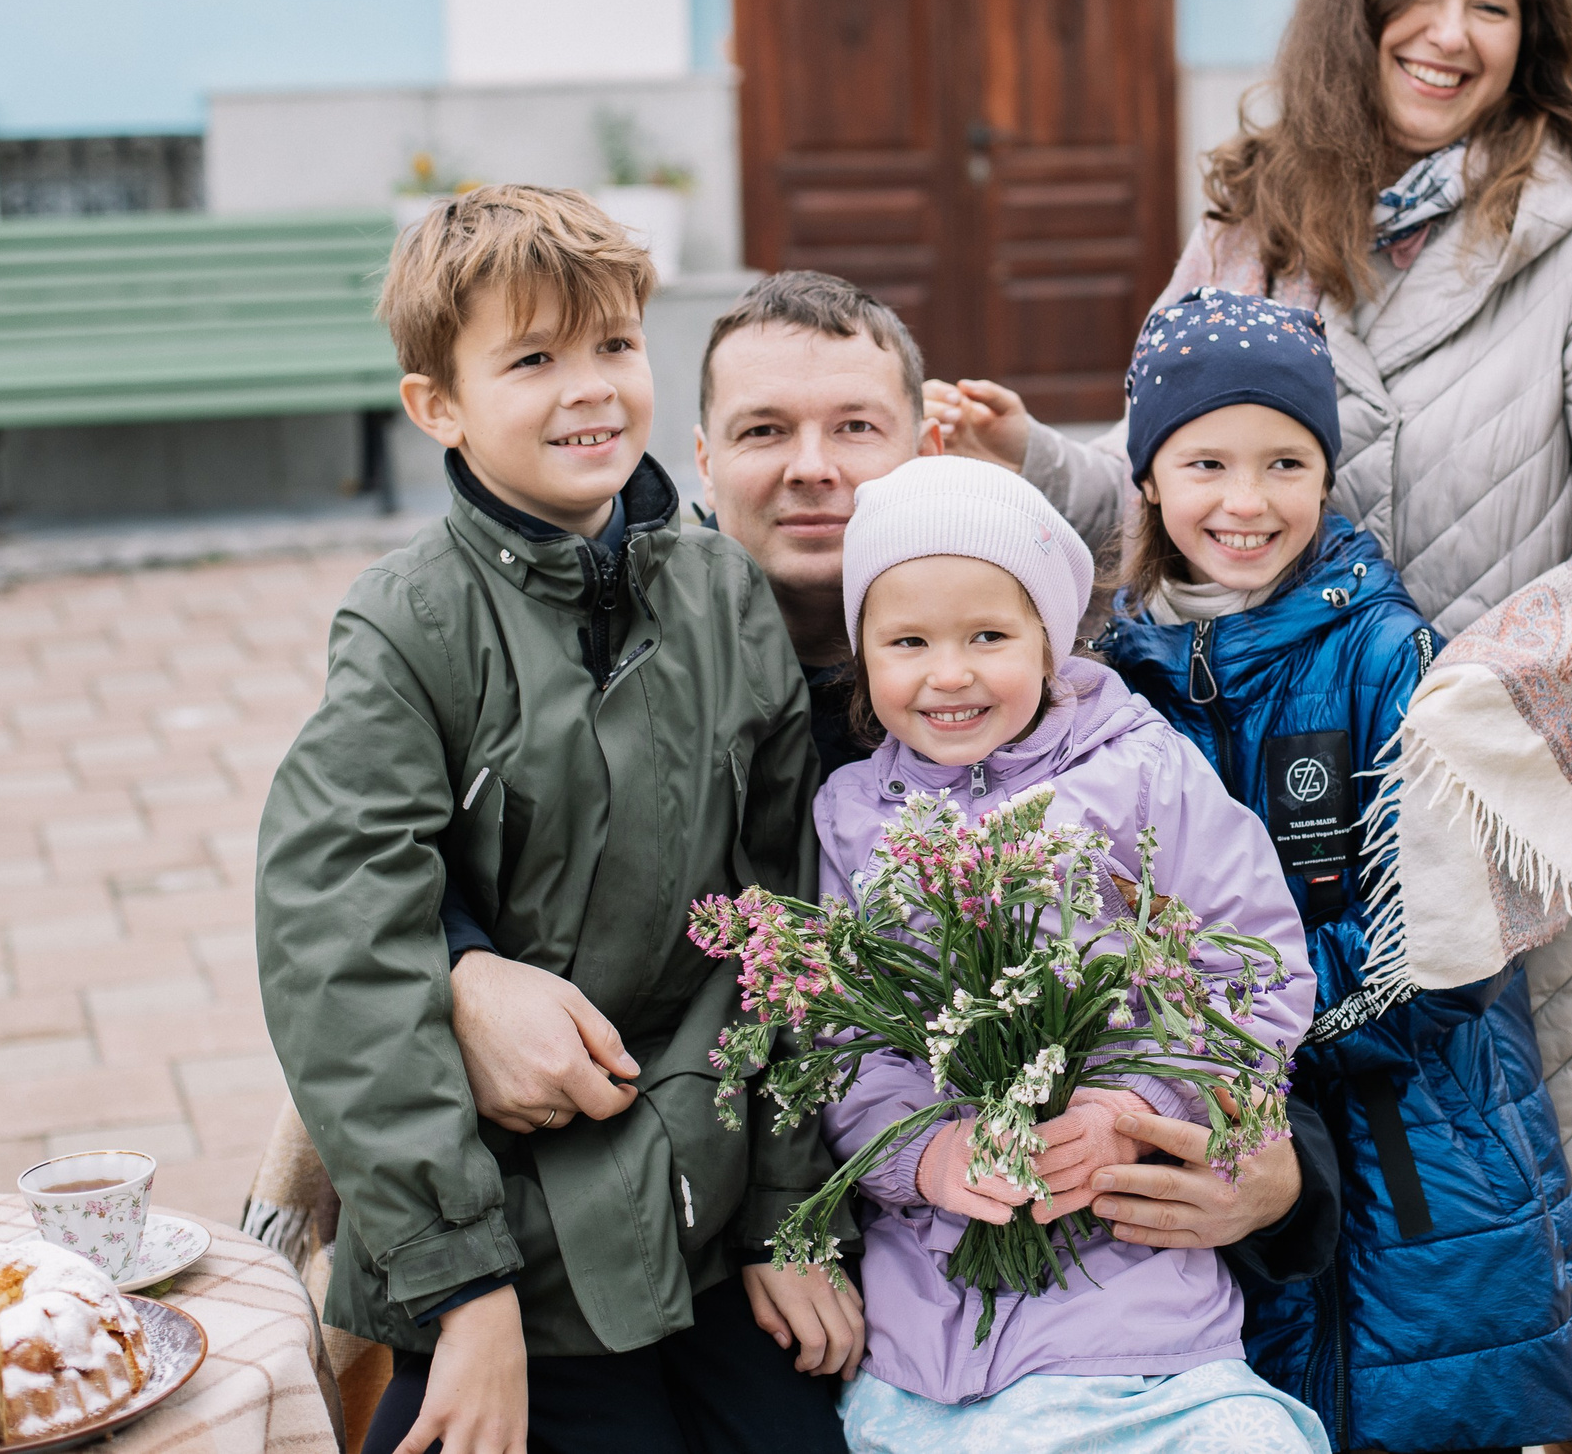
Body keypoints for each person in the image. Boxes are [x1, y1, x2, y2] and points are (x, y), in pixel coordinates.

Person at [930, 0, 1572, 1449]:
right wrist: (1042, 454)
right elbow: (1178, 492)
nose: (1451, 33)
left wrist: (1480, 684)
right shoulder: (1257, 221)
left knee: (1501, 1250)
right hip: (1246, 817)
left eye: (1493, 5)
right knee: (1251, 1237)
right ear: (1356, 10)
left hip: (1483, 819)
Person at [433, 273, 1343, 1315]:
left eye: (855, 427)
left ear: (924, 450)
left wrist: (1277, 1172)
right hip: (697, 1254)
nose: (812, 469)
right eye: (765, 430)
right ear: (701, 458)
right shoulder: (606, 669)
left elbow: (1225, 954)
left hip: (1066, 1269)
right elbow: (421, 877)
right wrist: (462, 967)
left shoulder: (1070, 718)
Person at [254, 188, 863, 1454]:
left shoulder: (724, 596)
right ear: (440, 406)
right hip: (507, 1240)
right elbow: (340, 941)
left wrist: (785, 1215)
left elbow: (788, 916)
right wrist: (463, 1294)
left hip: (704, 1201)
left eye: (613, 348)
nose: (587, 388)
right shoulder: (409, 627)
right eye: (532, 359)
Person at [1093, 286, 1572, 1451]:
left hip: (1409, 1152)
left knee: (1411, 1408)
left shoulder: (1391, 657)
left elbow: (1444, 938)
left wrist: (1238, 1016)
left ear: (1326, 476)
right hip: (1216, 1137)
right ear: (1149, 478)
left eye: (1284, 462)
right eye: (1206, 461)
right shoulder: (1115, 680)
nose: (1245, 500)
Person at [815, 456, 1325, 1453]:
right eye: (907, 640)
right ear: (863, 656)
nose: (948, 672)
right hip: (929, 1320)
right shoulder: (851, 818)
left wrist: (1138, 1110)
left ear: (1050, 641)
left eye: (989, 637)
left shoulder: (1143, 772)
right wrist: (925, 1159)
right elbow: (840, 1041)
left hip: (1133, 1299)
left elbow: (1252, 974)